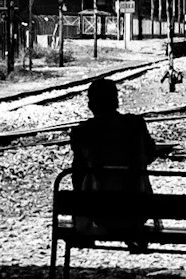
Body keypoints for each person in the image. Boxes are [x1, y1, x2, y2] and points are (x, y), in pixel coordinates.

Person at [68, 76, 159, 250]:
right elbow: (150, 154)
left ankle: (86, 233)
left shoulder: (83, 131)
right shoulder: (135, 125)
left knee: (82, 176)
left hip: (98, 212)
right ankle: (132, 233)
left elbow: (77, 175)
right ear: (116, 101)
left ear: (91, 104)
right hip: (135, 210)